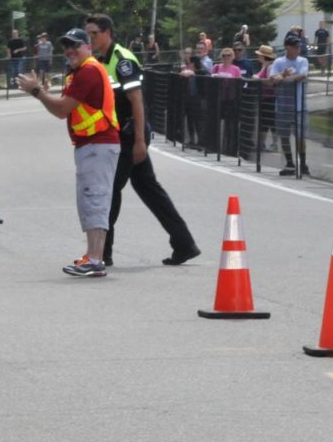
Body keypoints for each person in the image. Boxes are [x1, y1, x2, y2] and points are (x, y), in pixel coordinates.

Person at [84, 14, 199, 267]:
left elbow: (136, 100)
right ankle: (184, 243)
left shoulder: (122, 59)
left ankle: (103, 252)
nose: (90, 39)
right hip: (117, 134)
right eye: (88, 34)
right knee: (149, 189)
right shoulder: (95, 60)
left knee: (110, 190)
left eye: (94, 34)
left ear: (107, 33)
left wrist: (138, 140)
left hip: (129, 133)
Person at [15, 28, 119, 277]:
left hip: (98, 144)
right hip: (92, 144)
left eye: (75, 45)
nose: (70, 50)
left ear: (88, 47)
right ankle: (93, 256)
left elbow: (62, 109)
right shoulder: (81, 72)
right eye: (66, 46)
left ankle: (95, 259)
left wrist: (36, 90)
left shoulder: (89, 71)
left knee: (94, 199)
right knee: (92, 199)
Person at [270, 34, 310, 176]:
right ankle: (290, 163)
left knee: (300, 136)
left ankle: (303, 164)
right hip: (282, 106)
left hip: (299, 106)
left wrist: (285, 78)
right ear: (287, 47)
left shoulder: (302, 61)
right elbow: (272, 79)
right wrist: (282, 75)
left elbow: (303, 75)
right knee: (284, 136)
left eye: (298, 47)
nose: (297, 49)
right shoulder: (279, 62)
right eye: (294, 47)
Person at [253, 45, 278, 152]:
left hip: (271, 97)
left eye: (259, 55)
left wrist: (258, 79)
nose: (258, 57)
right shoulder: (265, 65)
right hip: (264, 97)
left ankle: (274, 144)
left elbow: (270, 82)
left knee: (271, 121)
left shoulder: (270, 67)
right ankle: (261, 143)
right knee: (264, 121)